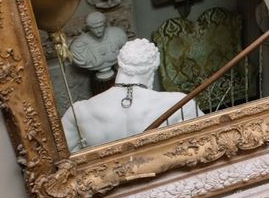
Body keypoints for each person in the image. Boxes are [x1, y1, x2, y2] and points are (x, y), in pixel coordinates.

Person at [61, 38, 202, 151]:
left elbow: (61, 160)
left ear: (119, 63)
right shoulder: (180, 103)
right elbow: (208, 141)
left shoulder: (78, 112)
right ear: (153, 67)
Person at [69, 11, 128, 82]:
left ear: (105, 24)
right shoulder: (78, 45)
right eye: (95, 28)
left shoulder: (117, 34)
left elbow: (126, 50)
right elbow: (79, 59)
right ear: (88, 28)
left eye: (101, 26)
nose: (99, 30)